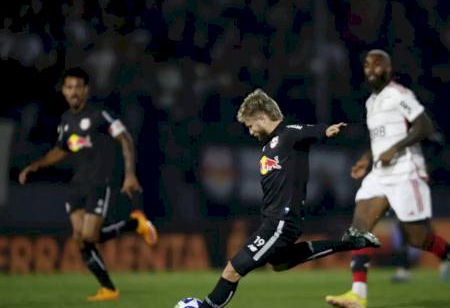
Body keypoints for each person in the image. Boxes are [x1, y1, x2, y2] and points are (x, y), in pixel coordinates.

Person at [197, 89, 380, 308]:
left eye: (250, 125)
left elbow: (307, 131)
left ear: (262, 118)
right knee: (280, 263)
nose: (250, 132)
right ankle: (350, 242)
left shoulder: (288, 134)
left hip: (280, 222)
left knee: (233, 269)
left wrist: (326, 131)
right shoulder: (269, 145)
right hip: (275, 221)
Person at [18, 67, 158, 301]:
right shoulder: (65, 120)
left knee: (89, 236)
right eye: (69, 87)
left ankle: (134, 224)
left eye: (78, 87)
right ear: (63, 90)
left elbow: (125, 139)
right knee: (79, 238)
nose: (73, 92)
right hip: (77, 184)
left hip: (98, 183)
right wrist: (37, 165)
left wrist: (130, 174)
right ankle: (108, 289)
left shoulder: (99, 115)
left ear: (86, 90)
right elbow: (61, 149)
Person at [325, 49, 450, 308]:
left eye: (378, 64)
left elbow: (424, 125)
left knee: (418, 238)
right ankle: (357, 295)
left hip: (406, 171)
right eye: (368, 64)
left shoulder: (400, 94)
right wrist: (366, 158)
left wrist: (397, 147)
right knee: (359, 227)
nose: (372, 68)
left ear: (389, 70)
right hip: (380, 175)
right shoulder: (371, 103)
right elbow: (379, 140)